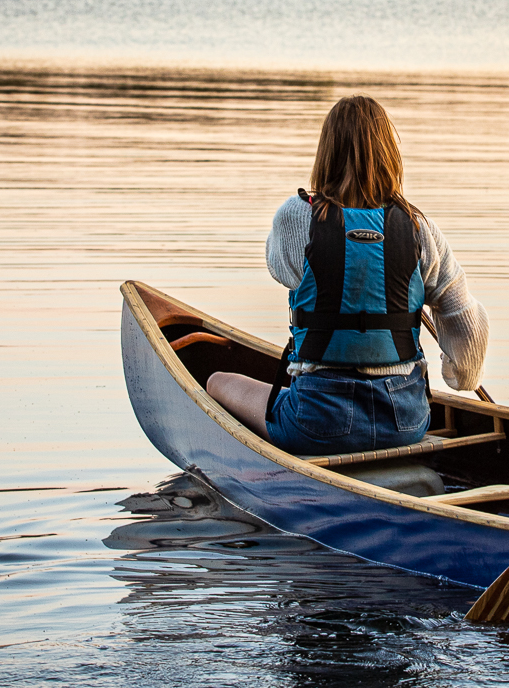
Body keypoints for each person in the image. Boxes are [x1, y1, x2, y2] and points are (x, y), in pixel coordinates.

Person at [208, 95, 488, 456]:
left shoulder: (297, 218)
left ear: (325, 153)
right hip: (406, 421)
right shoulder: (421, 230)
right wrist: (461, 375)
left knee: (216, 381)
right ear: (391, 155)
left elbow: (281, 270)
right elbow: (468, 332)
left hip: (318, 424)